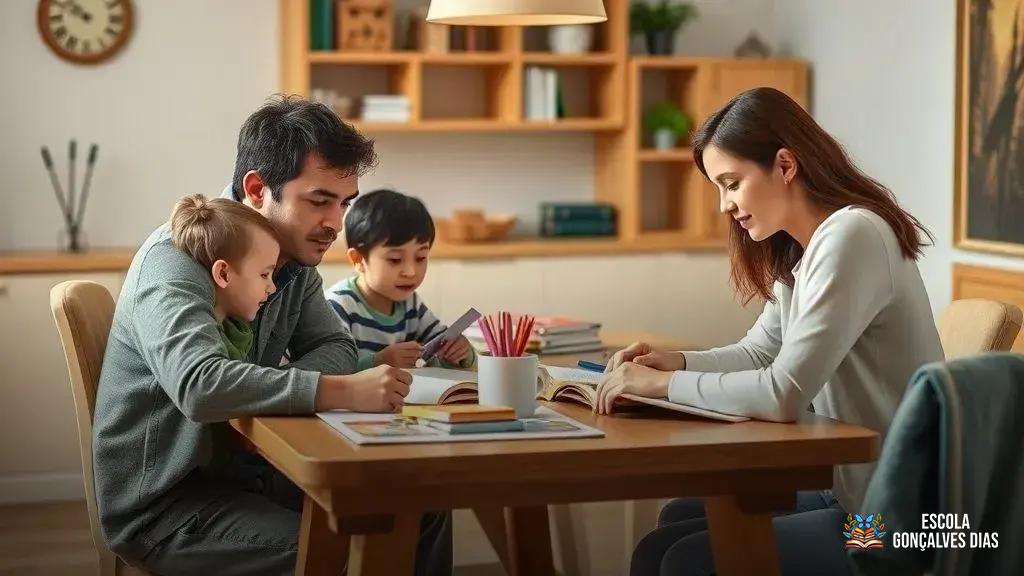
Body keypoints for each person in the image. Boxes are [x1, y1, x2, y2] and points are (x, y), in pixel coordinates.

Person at [92, 97, 452, 576]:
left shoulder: (294, 260)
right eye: (319, 201)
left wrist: (254, 387)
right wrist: (337, 389)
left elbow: (337, 346)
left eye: (345, 204)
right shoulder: (176, 261)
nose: (336, 224)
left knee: (422, 507)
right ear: (258, 189)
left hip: (254, 473)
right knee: (339, 556)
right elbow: (201, 386)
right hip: (168, 506)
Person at [595, 87, 944, 576]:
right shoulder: (805, 249)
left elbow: (784, 392)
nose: (724, 205)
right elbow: (761, 353)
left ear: (784, 165)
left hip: (896, 524)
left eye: (732, 183)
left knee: (685, 560)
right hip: (851, 495)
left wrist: (662, 387)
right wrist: (674, 363)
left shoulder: (853, 235)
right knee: (671, 530)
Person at [325, 189, 475, 370]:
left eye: (420, 258)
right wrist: (378, 361)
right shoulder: (339, 305)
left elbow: (439, 353)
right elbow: (329, 372)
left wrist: (461, 352)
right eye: (395, 260)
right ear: (359, 260)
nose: (411, 272)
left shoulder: (410, 303)